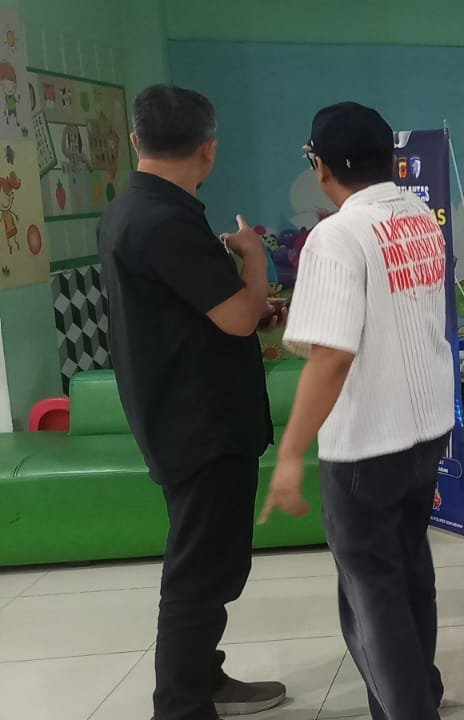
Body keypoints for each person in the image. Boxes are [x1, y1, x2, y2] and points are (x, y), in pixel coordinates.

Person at [260, 102, 456, 720]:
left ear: (319, 166)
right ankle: (420, 692)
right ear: (391, 159)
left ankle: (408, 709)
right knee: (409, 570)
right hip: (426, 432)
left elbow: (331, 357)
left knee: (370, 594)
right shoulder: (419, 216)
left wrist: (291, 452)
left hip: (367, 445)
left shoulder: (336, 236)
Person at [99, 84, 288, 720]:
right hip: (201, 424)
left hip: (179, 412)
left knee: (211, 563)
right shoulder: (166, 220)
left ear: (136, 140)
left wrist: (250, 308)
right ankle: (180, 705)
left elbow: (191, 312)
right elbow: (235, 318)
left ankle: (203, 676)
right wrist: (254, 260)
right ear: (209, 148)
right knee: (199, 572)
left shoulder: (132, 210)